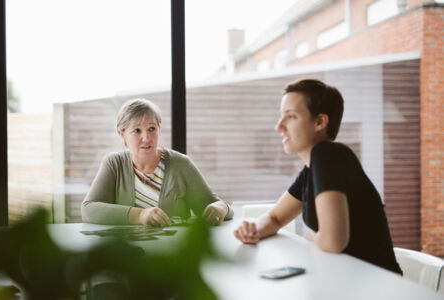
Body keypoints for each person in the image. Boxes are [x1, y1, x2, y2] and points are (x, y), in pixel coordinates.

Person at [234, 79, 402, 274]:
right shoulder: (312, 168)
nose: (278, 127)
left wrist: (312, 237)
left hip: (378, 287)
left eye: (291, 117)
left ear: (320, 122)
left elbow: (333, 242)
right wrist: (253, 229)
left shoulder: (327, 155)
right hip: (349, 278)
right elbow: (276, 217)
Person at [82, 98, 233, 226]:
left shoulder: (181, 164)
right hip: (127, 254)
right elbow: (88, 210)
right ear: (122, 135)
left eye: (152, 129)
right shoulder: (114, 164)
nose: (146, 138)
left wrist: (221, 207)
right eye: (137, 131)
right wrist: (140, 215)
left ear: (159, 129)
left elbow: (217, 206)